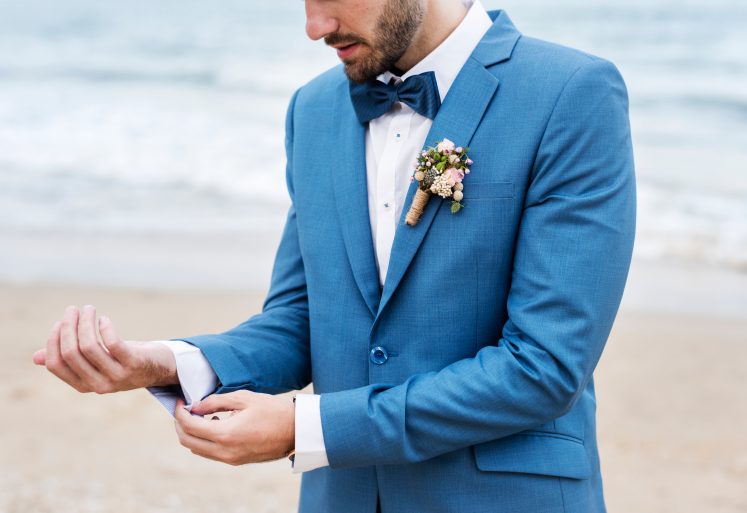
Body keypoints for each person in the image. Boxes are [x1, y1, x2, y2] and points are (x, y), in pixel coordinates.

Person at [33, 0, 636, 511]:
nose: (314, 26)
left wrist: (304, 428)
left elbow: (542, 368)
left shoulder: (572, 94)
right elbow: (300, 319)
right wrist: (162, 363)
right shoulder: (313, 109)